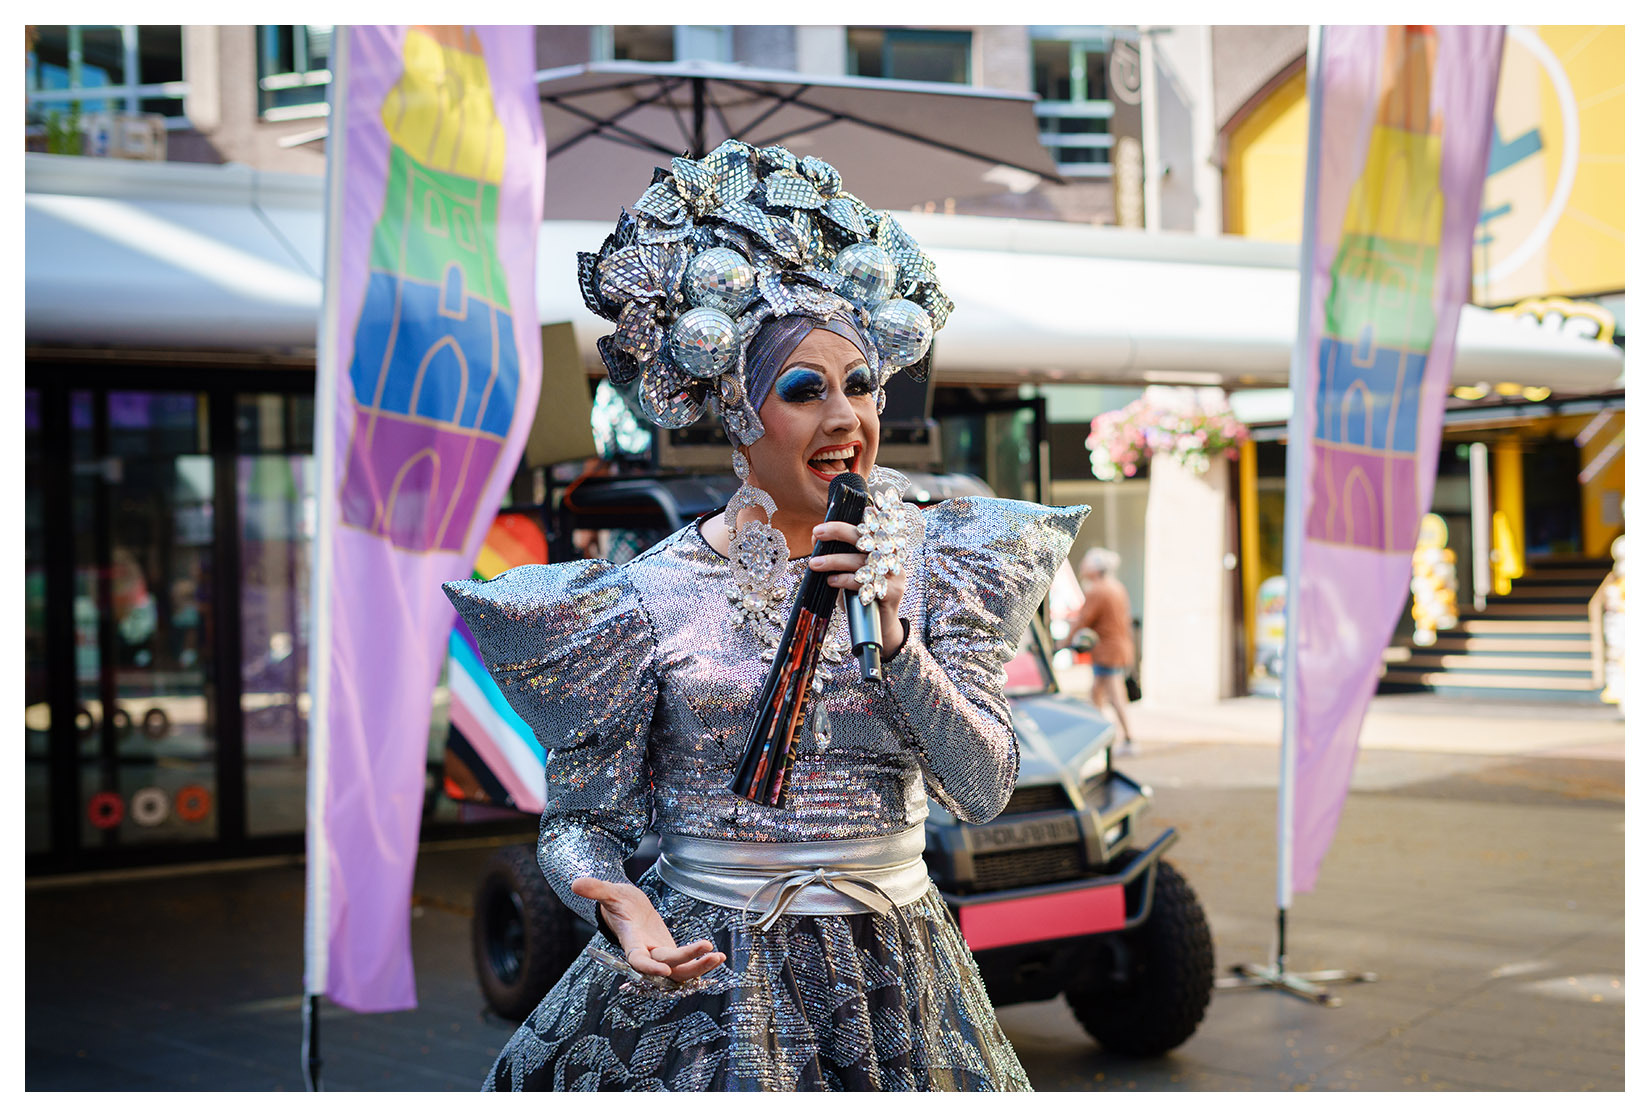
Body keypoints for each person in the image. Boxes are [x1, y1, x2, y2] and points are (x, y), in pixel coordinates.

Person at [445, 140, 1086, 1091]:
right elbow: (581, 824)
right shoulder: (647, 595)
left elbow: (984, 788)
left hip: (895, 978)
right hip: (716, 979)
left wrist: (897, 640)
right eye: (804, 390)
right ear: (739, 411)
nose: (846, 418)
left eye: (860, 384)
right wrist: (618, 903)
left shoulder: (944, 562)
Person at [1069, 547, 1136, 752]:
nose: (1082, 567)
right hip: (1117, 648)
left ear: (1095, 569)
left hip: (1107, 651)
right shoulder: (1116, 587)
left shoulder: (1097, 591)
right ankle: (1100, 739)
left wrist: (1063, 642)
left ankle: (1126, 739)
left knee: (1112, 696)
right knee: (1098, 695)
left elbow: (1083, 620)